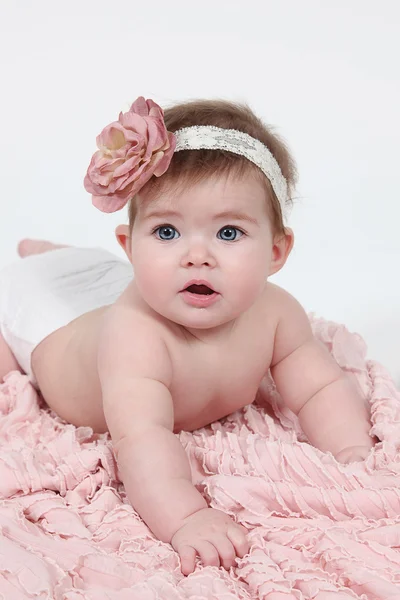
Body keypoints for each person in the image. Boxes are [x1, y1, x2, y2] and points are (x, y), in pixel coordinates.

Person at [0, 96, 377, 575]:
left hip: (106, 281)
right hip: (40, 324)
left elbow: (320, 387)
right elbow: (141, 437)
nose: (197, 256)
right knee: (26, 325)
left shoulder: (276, 313)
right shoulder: (135, 334)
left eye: (228, 234)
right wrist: (186, 517)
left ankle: (63, 256)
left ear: (277, 251)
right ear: (130, 245)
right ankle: (44, 259)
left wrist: (352, 452)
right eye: (166, 232)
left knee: (100, 275)